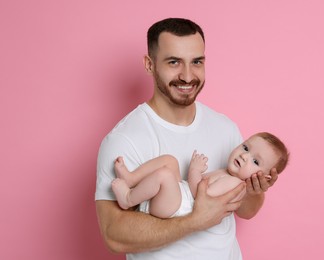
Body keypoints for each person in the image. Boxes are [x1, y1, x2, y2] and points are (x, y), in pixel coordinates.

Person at [95, 17, 279, 260]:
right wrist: (194, 221)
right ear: (149, 65)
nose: (187, 75)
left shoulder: (227, 129)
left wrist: (254, 191)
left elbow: (246, 211)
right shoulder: (123, 140)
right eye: (174, 62)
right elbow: (114, 234)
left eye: (197, 62)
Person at [111, 132, 289, 219]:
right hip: (180, 196)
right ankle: (132, 178)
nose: (244, 156)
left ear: (263, 178)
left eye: (255, 162)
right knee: (170, 161)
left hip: (178, 208)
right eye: (245, 147)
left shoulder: (235, 185)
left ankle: (128, 199)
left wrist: (195, 171)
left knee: (165, 175)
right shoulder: (227, 174)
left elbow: (201, 198)